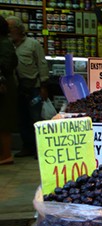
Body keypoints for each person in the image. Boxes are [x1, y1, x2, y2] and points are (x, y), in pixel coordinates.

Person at [6, 16, 49, 158]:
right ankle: (27, 147)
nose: (9, 31)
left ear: (18, 29)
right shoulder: (9, 45)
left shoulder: (33, 44)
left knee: (35, 119)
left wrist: (44, 86)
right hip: (17, 88)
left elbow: (42, 64)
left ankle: (40, 149)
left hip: (33, 87)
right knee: (22, 119)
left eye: (10, 28)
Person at [0, 15, 18, 165]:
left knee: (4, 122)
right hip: (5, 86)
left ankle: (6, 155)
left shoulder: (4, 43)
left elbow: (6, 65)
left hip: (5, 88)